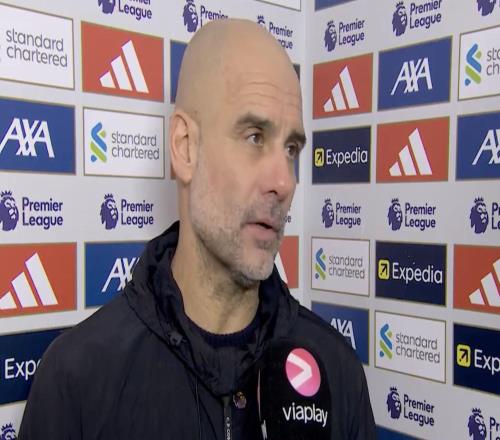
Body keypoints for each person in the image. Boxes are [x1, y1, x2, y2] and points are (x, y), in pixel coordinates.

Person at [19, 19, 376, 439]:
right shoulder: (78, 380)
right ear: (185, 147)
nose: (284, 181)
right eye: (255, 137)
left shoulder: (336, 371)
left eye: (291, 148)